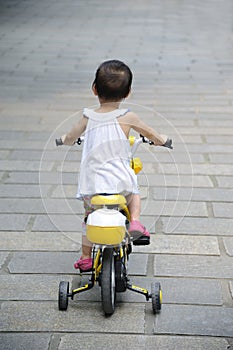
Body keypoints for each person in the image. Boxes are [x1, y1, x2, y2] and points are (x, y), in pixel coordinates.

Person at [58, 59, 169, 271]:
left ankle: (85, 257)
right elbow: (150, 133)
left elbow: (71, 137)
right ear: (128, 93)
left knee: (89, 217)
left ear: (94, 89)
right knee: (134, 192)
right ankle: (135, 221)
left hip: (92, 187)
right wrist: (162, 140)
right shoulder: (128, 117)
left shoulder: (86, 117)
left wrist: (64, 139)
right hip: (120, 183)